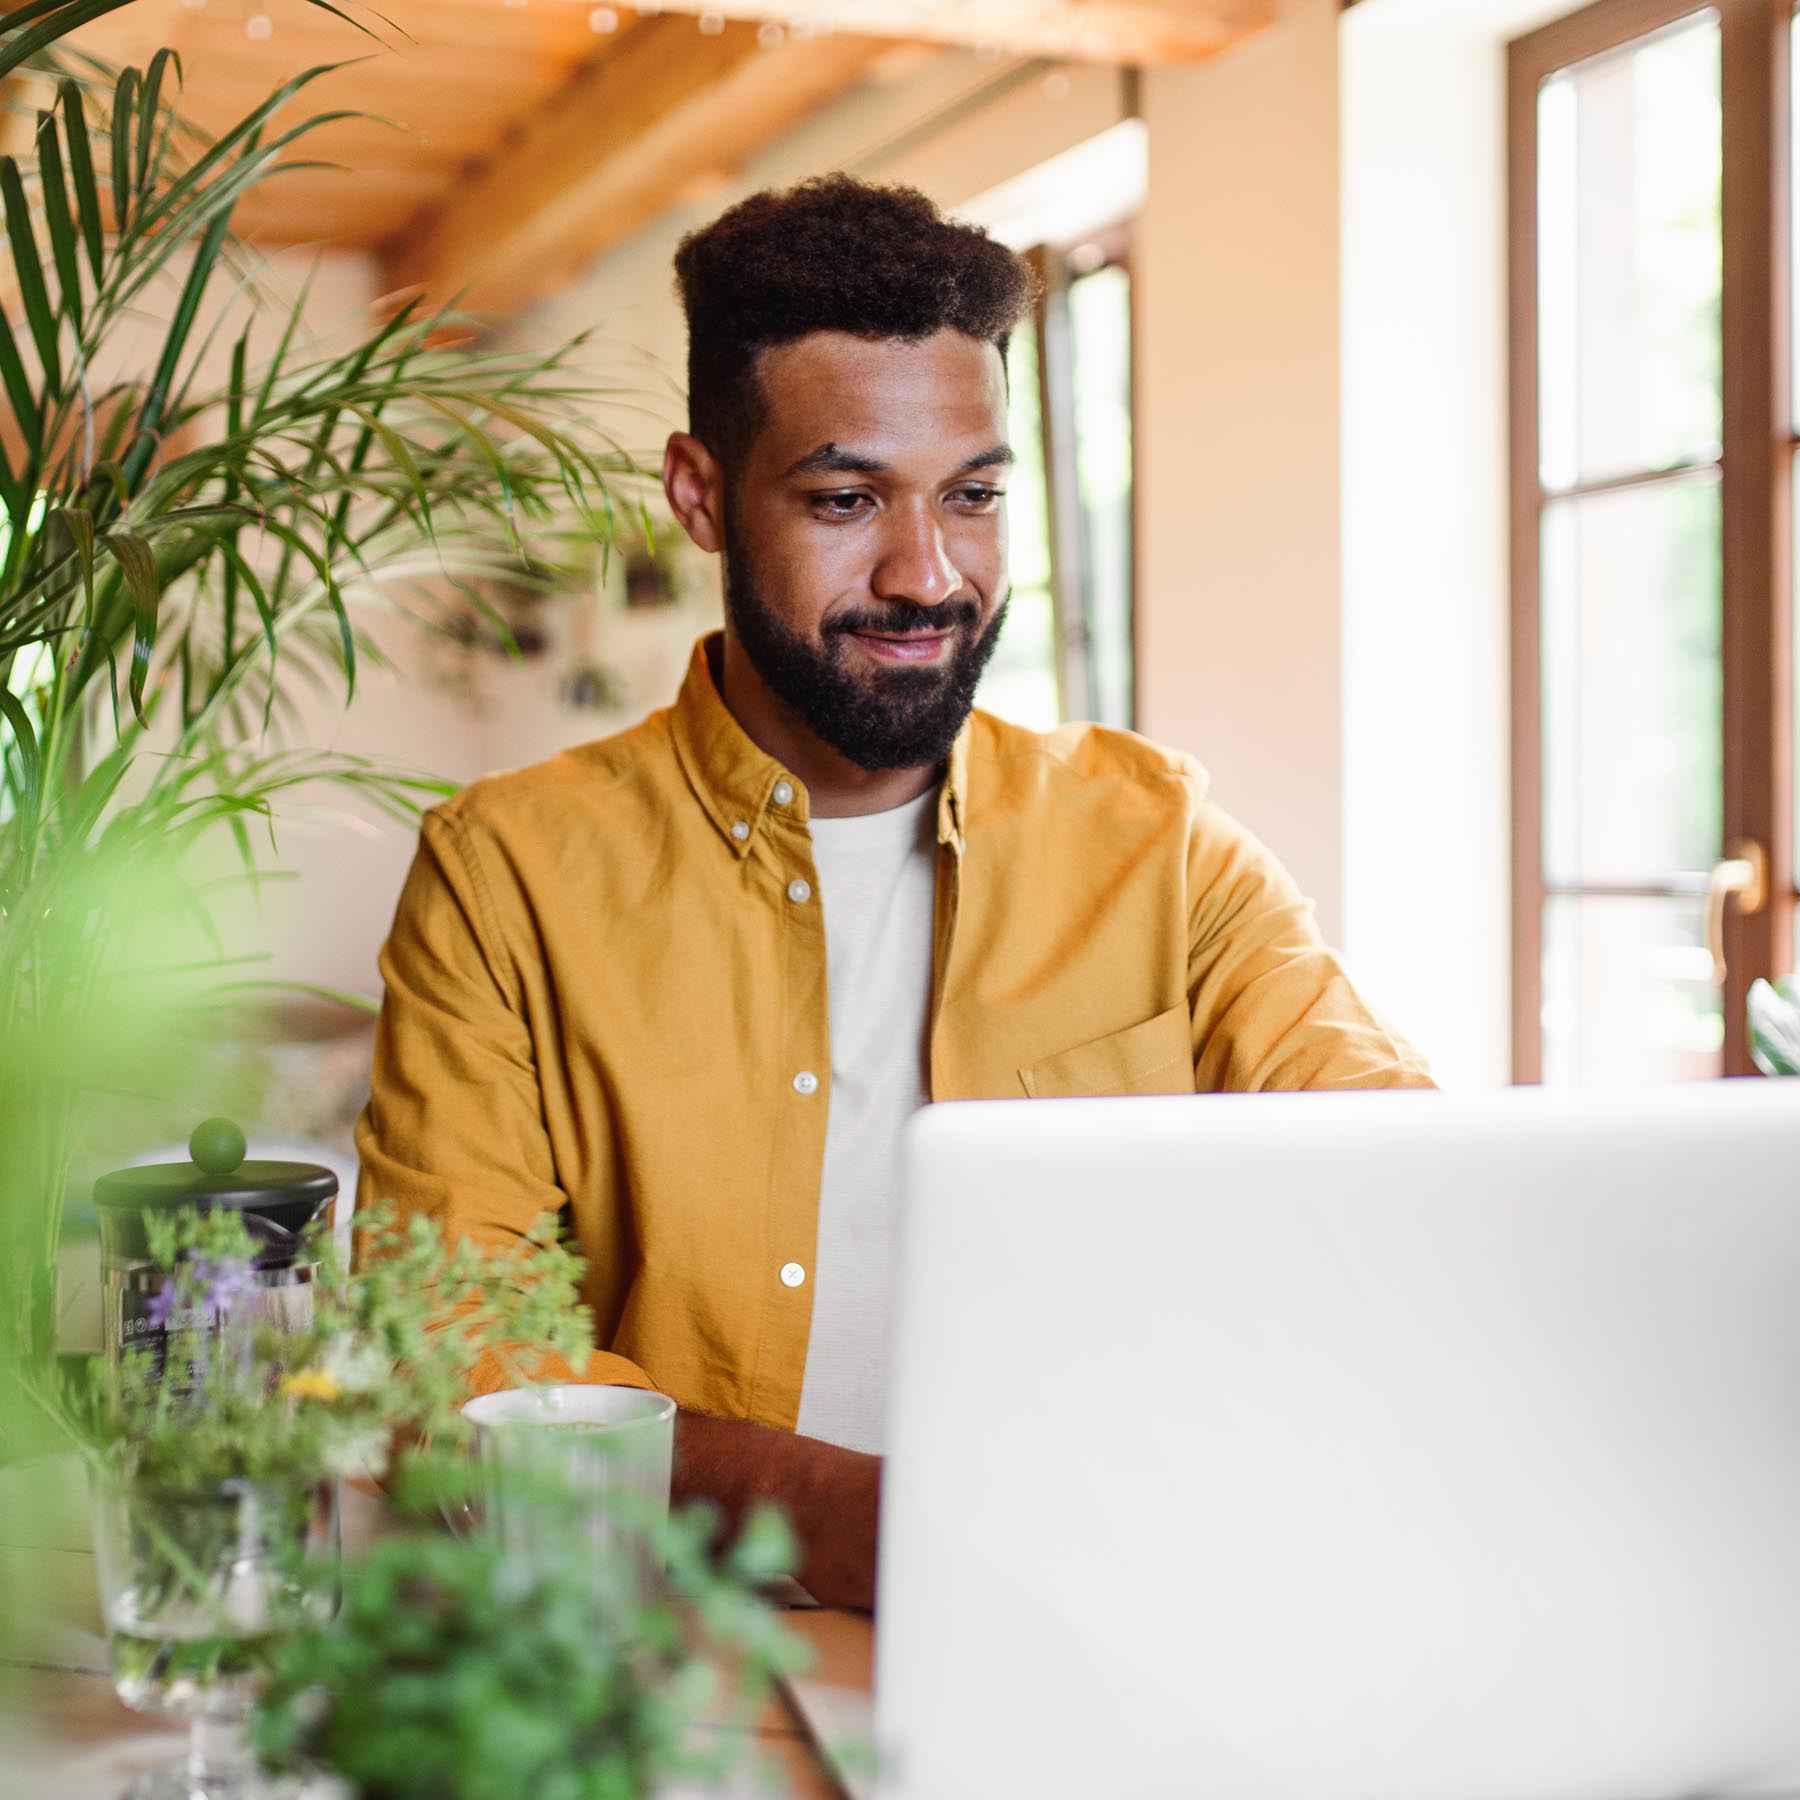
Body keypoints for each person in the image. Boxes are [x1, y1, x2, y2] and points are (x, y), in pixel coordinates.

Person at [355, 175, 1431, 1610]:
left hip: (1106, 1613)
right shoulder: (507, 875)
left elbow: (1400, 1193)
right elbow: (449, 1348)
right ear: (700, 495)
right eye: (847, 498)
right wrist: (856, 1522)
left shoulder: (1160, 847)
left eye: (976, 496)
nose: (928, 575)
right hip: (685, 1649)